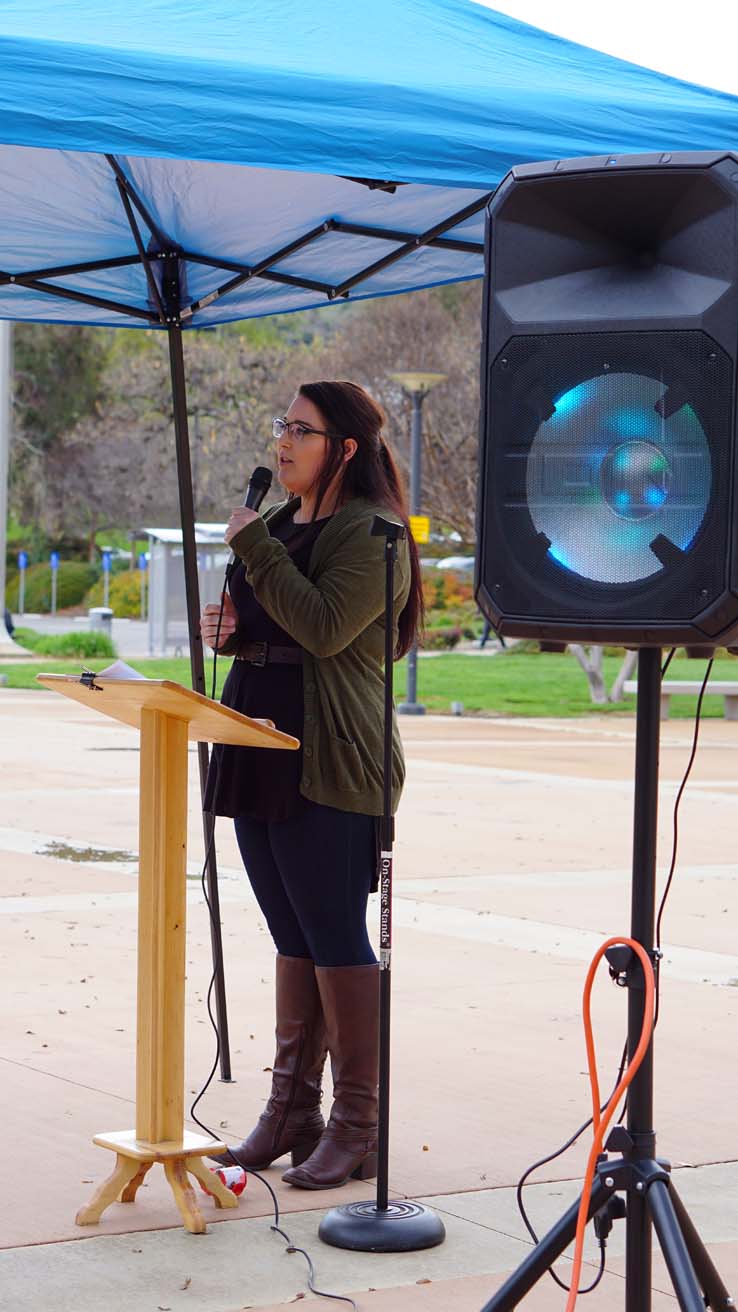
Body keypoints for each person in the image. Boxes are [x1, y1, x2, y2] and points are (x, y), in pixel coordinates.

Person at [200, 380, 423, 1190]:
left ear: (345, 448)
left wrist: (254, 549)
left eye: (302, 429)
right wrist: (233, 630)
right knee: (291, 935)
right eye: (283, 426)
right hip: (256, 744)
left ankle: (360, 1126)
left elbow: (327, 628)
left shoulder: (376, 532)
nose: (283, 441)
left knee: (333, 933)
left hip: (330, 755)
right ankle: (294, 1112)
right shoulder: (282, 525)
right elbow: (278, 622)